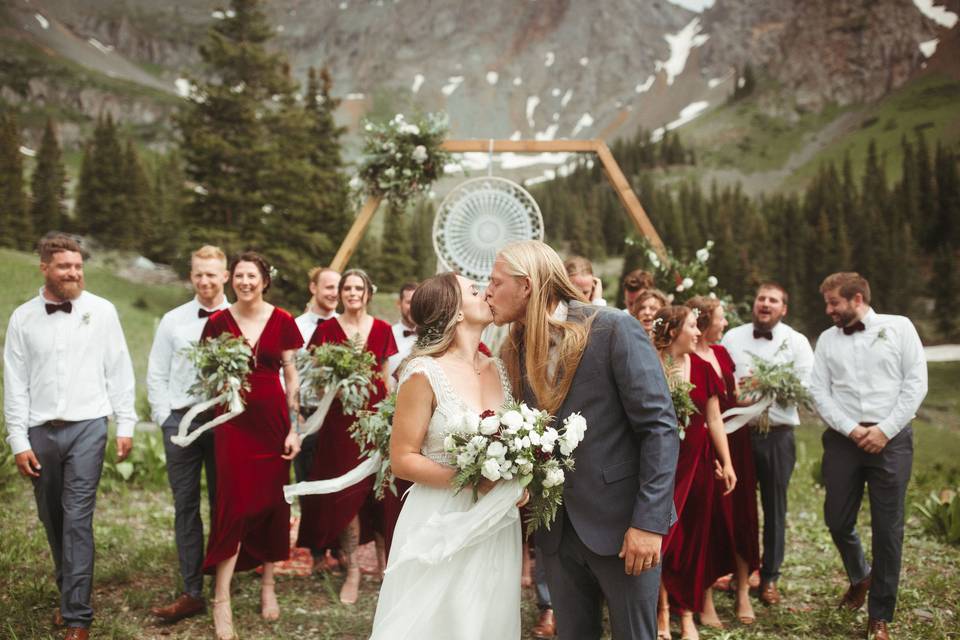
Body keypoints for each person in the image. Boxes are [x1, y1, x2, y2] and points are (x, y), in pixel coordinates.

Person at [486, 240, 679, 640]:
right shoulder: (514, 348)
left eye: (495, 281)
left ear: (527, 285)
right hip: (556, 532)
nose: (487, 291)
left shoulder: (612, 327)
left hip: (623, 525)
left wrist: (648, 523)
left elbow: (659, 427)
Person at [369, 272, 530, 638]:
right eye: (475, 290)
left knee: (485, 617)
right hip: (440, 517)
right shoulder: (423, 371)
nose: (486, 293)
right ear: (455, 312)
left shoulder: (498, 369)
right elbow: (403, 458)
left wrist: (518, 479)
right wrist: (475, 480)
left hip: (494, 522)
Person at [4, 233, 137, 640]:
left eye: (78, 266)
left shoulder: (103, 311)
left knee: (78, 517)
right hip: (40, 431)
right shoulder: (22, 318)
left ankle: (78, 616)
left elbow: (119, 367)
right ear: (44, 267)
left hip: (88, 427)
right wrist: (18, 440)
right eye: (65, 266)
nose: (74, 273)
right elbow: (15, 384)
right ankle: (68, 590)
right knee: (52, 515)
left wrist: (126, 423)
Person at [810, 272, 927, 640]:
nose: (828, 310)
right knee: (836, 519)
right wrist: (852, 429)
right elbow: (819, 391)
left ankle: (880, 615)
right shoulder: (828, 340)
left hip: (891, 439)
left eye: (834, 303)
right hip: (845, 439)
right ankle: (860, 575)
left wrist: (885, 430)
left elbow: (916, 382)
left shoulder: (900, 328)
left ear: (857, 298)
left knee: (887, 529)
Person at [200, 252, 303, 640]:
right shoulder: (216, 323)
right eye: (239, 276)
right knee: (232, 504)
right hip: (231, 423)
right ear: (232, 280)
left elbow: (292, 377)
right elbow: (207, 374)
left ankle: (268, 585)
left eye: (252, 276)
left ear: (264, 280)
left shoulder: (284, 321)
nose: (245, 282)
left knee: (272, 503)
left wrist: (295, 428)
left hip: (273, 423)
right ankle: (221, 598)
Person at [297, 269, 398, 604]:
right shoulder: (327, 330)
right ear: (339, 293)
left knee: (380, 493)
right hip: (340, 424)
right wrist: (336, 383)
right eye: (347, 288)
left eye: (359, 287)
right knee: (347, 494)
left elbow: (385, 380)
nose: (353, 293)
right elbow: (315, 380)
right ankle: (353, 569)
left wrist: (387, 419)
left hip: (374, 422)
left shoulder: (383, 329)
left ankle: (388, 570)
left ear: (368, 292)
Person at [146, 245, 230, 623]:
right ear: (191, 275)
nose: (205, 280)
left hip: (225, 422)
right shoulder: (172, 321)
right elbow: (157, 374)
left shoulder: (237, 318)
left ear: (225, 275)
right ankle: (191, 589)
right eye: (199, 273)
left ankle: (224, 583)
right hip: (181, 422)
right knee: (186, 504)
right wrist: (165, 418)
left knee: (224, 502)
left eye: (212, 273)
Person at [720, 282, 814, 607]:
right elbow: (720, 377)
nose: (765, 304)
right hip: (738, 434)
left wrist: (766, 383)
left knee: (775, 508)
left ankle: (771, 577)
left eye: (773, 300)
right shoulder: (732, 337)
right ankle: (739, 573)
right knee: (737, 508)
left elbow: (805, 387)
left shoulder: (797, 342)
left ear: (783, 309)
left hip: (777, 435)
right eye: (761, 298)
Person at [653, 305, 737, 640]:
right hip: (660, 466)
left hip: (698, 463)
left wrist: (727, 462)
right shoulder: (651, 365)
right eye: (691, 326)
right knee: (663, 536)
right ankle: (662, 611)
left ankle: (687, 614)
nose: (698, 332)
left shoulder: (702, 367)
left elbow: (715, 418)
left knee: (694, 538)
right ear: (673, 331)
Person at [687, 295, 758, 626]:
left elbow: (730, 395)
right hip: (705, 448)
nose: (726, 323)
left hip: (737, 444)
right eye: (721, 318)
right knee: (710, 521)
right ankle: (704, 597)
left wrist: (761, 392)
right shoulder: (686, 359)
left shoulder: (723, 353)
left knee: (744, 515)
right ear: (703, 322)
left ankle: (743, 591)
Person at [386, 281, 419, 388]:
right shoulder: (387, 335)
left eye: (418, 302)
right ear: (399, 304)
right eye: (409, 302)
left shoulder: (434, 338)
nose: (414, 307)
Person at [295, 267, 340, 344]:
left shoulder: (347, 327)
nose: (335, 293)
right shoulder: (297, 326)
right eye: (329, 287)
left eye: (339, 288)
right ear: (313, 288)